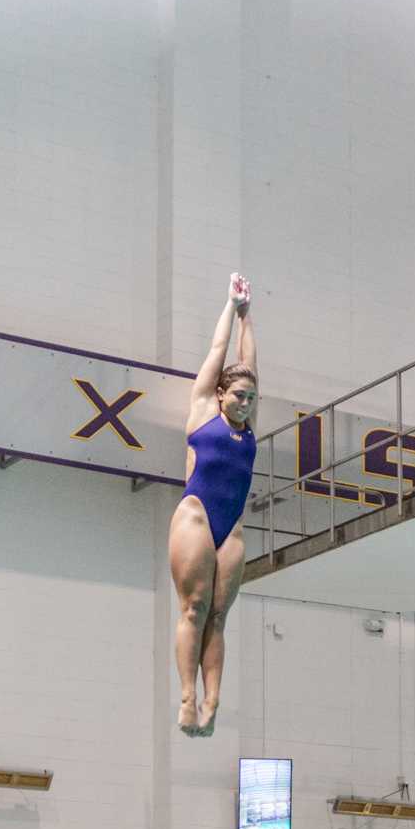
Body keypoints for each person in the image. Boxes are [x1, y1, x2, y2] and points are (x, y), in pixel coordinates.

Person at [169, 273, 258, 738]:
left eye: (251, 398)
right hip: (196, 517)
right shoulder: (205, 410)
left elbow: (249, 362)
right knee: (194, 608)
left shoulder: (248, 425)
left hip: (232, 528)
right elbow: (217, 355)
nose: (245, 402)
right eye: (238, 395)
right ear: (221, 394)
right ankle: (187, 697)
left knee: (219, 617)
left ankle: (213, 702)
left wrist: (250, 316)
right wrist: (229, 307)